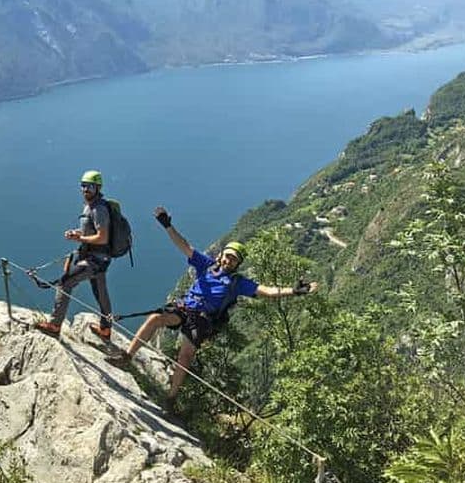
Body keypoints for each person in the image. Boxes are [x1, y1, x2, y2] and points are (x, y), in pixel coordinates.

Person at [108, 206, 318, 414]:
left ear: (237, 264)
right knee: (155, 318)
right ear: (220, 256)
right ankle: (127, 357)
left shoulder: (238, 282)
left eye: (233, 259)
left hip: (202, 320)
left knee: (185, 357)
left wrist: (293, 291)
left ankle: (171, 398)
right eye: (227, 256)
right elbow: (184, 246)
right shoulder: (206, 265)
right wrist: (168, 226)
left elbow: (266, 291)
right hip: (185, 307)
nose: (228, 260)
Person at [35, 170, 114, 341]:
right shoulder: (90, 206)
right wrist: (77, 233)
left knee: (65, 282)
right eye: (83, 186)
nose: (86, 189)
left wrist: (80, 238)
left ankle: (55, 325)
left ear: (98, 188)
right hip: (98, 258)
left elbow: (102, 237)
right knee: (101, 293)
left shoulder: (99, 209)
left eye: (90, 186)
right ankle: (106, 330)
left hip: (95, 260)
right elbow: (91, 230)